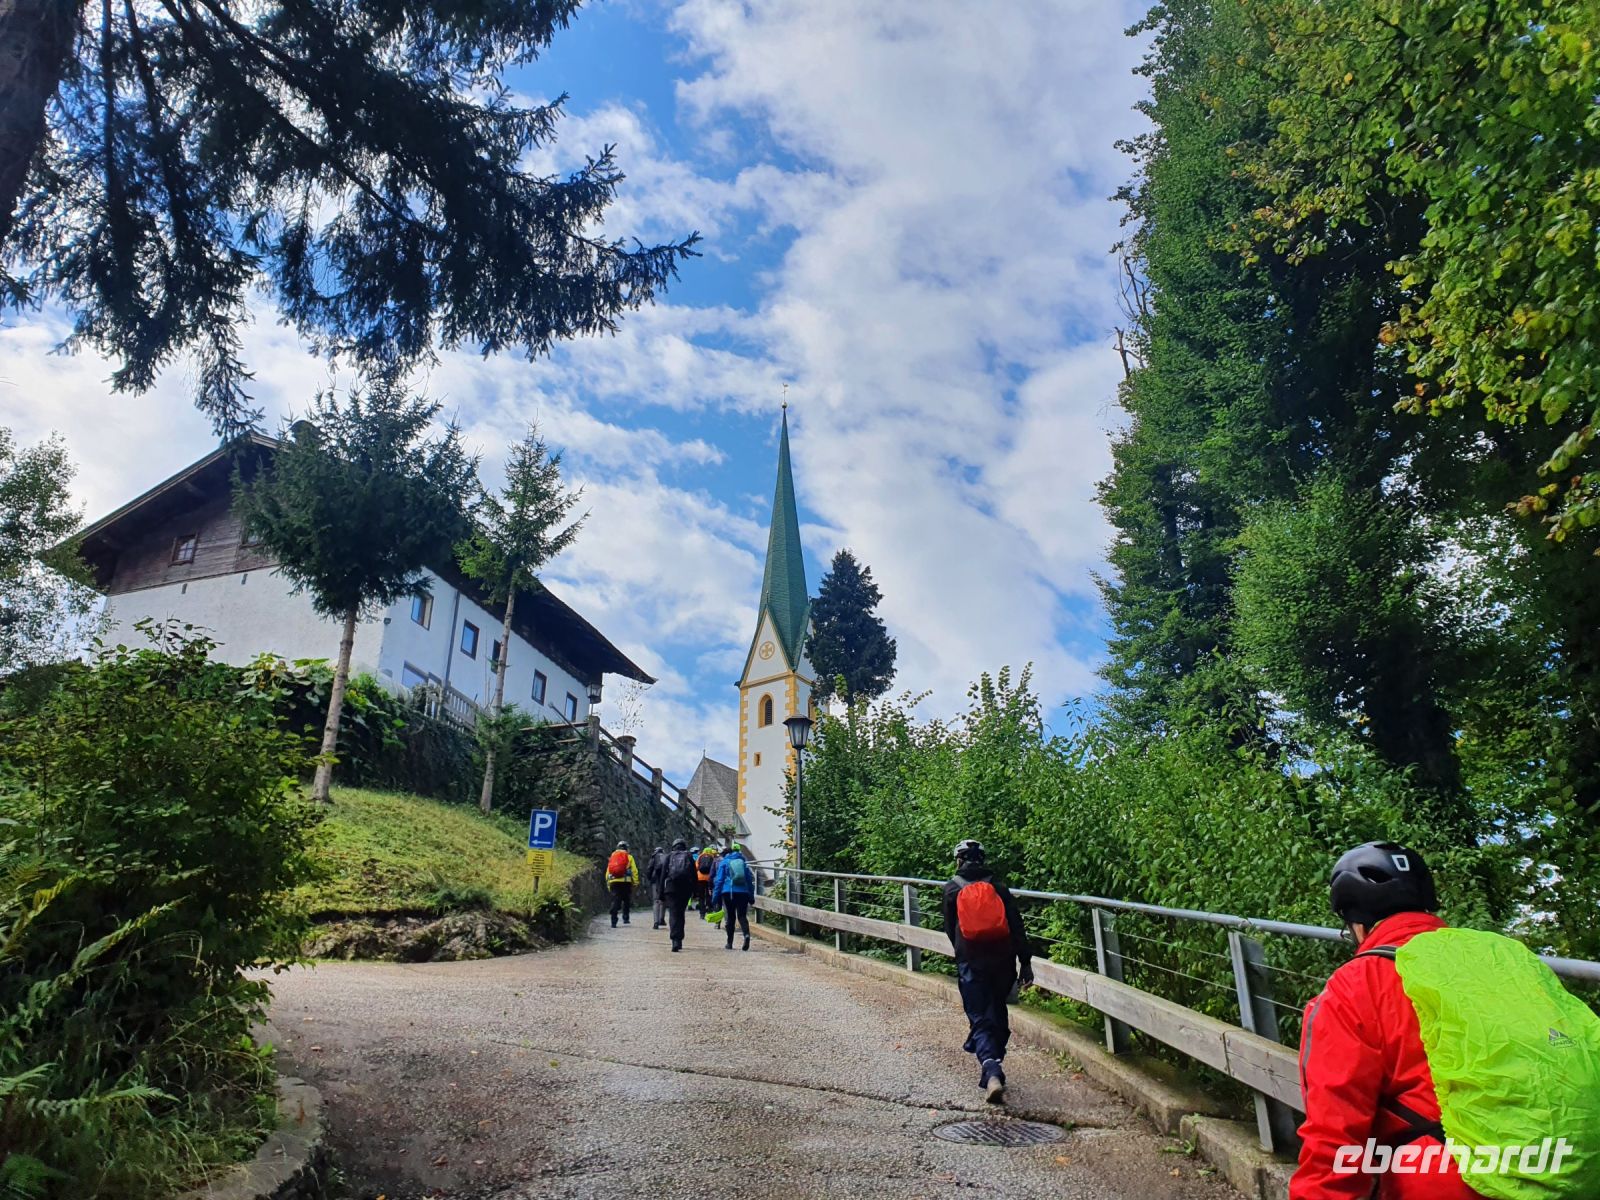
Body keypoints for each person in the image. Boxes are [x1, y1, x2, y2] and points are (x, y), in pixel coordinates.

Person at [1293, 841, 1600, 1200]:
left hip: (1450, 1181)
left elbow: (1333, 1143)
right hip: (1572, 1170)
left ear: (1357, 925)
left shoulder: (1355, 984)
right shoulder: (1506, 955)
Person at [941, 839, 1032, 1105]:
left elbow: (949, 928)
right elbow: (1016, 926)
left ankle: (991, 1067)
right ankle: (995, 1060)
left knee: (979, 1015)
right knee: (997, 1010)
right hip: (1003, 961)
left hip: (971, 962)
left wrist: (962, 951)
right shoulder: (999, 888)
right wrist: (1025, 962)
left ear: (959, 860)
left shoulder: (952, 889)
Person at [713, 842, 756, 951]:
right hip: (743, 893)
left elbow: (719, 881)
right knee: (742, 916)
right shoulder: (743, 862)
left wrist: (715, 898)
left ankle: (729, 943)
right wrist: (751, 896)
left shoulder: (724, 862)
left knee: (730, 917)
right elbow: (749, 880)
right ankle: (746, 935)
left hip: (728, 892)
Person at [661, 838, 698, 952]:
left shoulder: (669, 856)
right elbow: (694, 874)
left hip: (671, 889)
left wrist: (660, 893)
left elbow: (663, 875)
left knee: (673, 913)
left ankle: (675, 940)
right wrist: (695, 892)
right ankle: (679, 940)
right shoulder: (688, 856)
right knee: (680, 914)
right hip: (685, 889)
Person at [605, 840, 639, 928]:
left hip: (614, 882)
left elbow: (608, 871)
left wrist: (608, 884)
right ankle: (625, 918)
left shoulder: (613, 856)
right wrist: (635, 882)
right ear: (626, 848)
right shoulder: (629, 857)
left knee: (616, 900)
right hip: (626, 882)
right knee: (626, 900)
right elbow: (634, 871)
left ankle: (613, 920)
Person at [645, 845, 668, 930]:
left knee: (656, 901)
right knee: (663, 900)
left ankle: (656, 922)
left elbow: (649, 869)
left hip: (655, 880)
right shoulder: (666, 857)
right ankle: (662, 919)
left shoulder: (654, 857)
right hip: (665, 880)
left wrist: (649, 878)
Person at [694, 845, 719, 916]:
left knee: (701, 897)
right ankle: (709, 909)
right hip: (709, 879)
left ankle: (702, 913)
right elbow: (714, 868)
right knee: (709, 895)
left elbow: (696, 867)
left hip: (700, 878)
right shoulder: (712, 857)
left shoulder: (700, 857)